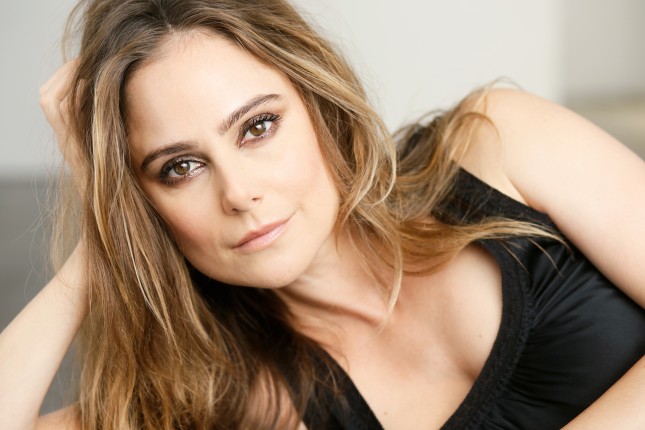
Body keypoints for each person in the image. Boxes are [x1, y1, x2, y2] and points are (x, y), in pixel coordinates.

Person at [1, 0, 644, 428]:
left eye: (258, 127)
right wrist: (100, 238)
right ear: (144, 204)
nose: (238, 192)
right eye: (180, 167)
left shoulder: (497, 144)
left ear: (319, 105)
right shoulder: (243, 400)